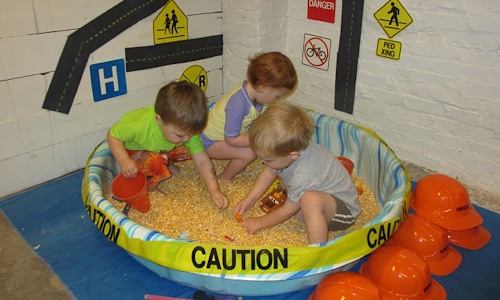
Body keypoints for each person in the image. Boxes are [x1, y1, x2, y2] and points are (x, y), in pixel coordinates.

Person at [234, 102, 361, 244]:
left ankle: (318, 250)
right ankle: (307, 210)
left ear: (293, 155)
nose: (262, 162)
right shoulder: (287, 150)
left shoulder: (304, 173)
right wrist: (249, 199)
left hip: (343, 211)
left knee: (309, 200)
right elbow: (269, 172)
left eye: (267, 159)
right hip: (321, 196)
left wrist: (260, 222)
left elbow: (287, 210)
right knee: (299, 202)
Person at [107, 81, 229, 209]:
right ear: (159, 120)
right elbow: (112, 135)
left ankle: (168, 164)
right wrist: (124, 160)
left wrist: (214, 190)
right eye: (180, 135)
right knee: (157, 162)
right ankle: (152, 188)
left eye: (191, 134)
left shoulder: (185, 132)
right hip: (134, 150)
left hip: (164, 147)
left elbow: (202, 161)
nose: (187, 138)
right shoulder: (138, 126)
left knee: (192, 150)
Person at [201, 52, 297, 182]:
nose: (276, 100)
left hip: (221, 137)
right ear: (263, 87)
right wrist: (257, 140)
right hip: (208, 142)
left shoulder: (253, 94)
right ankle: (225, 177)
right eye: (277, 96)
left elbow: (252, 122)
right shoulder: (238, 105)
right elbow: (231, 140)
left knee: (253, 139)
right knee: (249, 153)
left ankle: (237, 161)